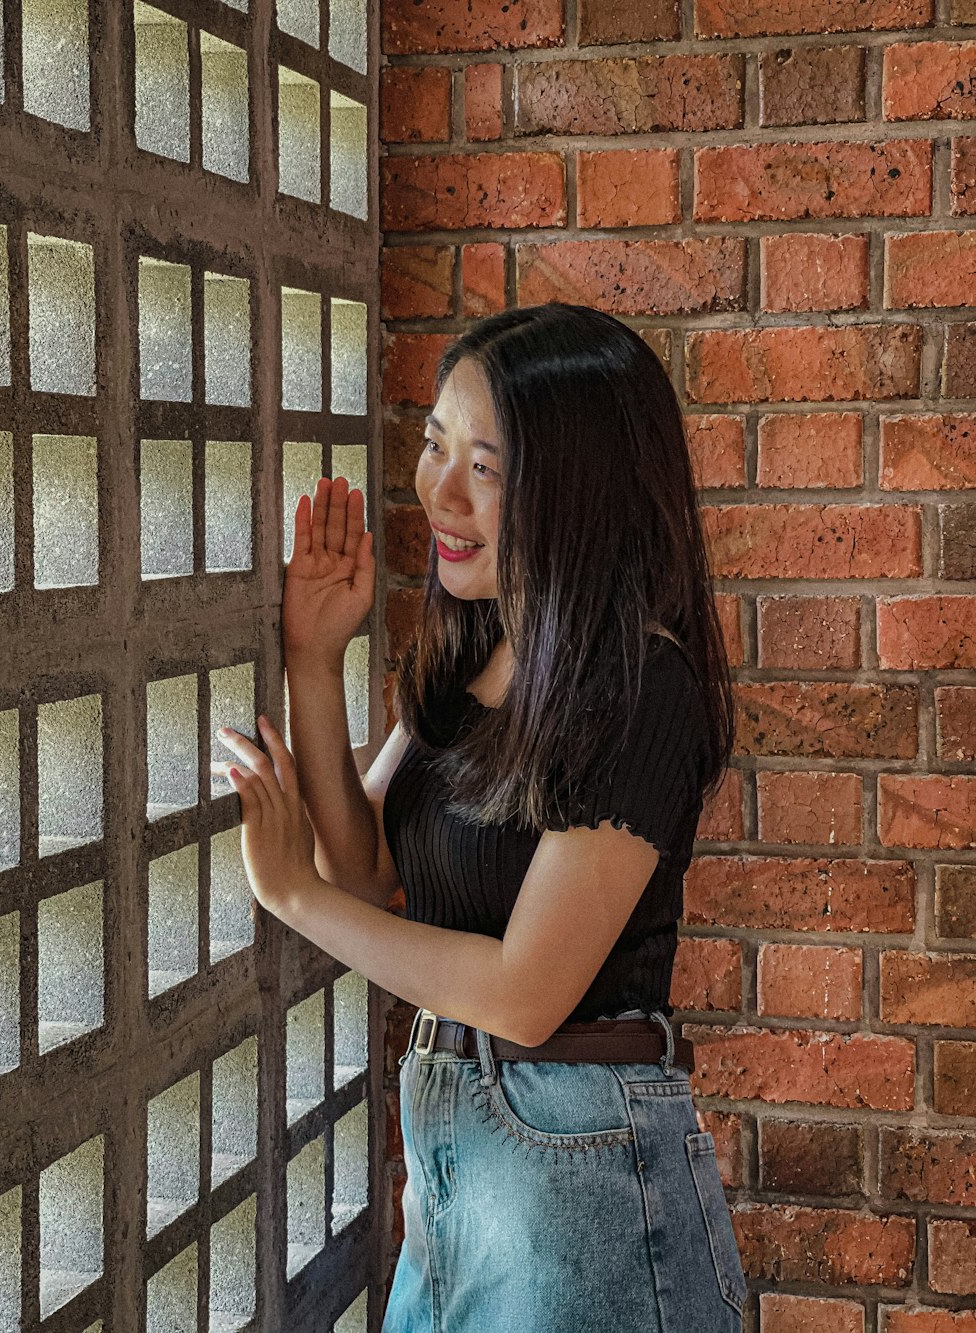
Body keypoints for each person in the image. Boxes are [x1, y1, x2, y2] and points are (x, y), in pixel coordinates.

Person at [212, 302, 748, 1331]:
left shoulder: (641, 685)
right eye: (434, 445)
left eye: (485, 468)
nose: (438, 492)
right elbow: (371, 873)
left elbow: (525, 993)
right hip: (456, 1177)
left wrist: (287, 893)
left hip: (582, 1184)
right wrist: (316, 661)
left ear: (575, 491)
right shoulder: (474, 649)